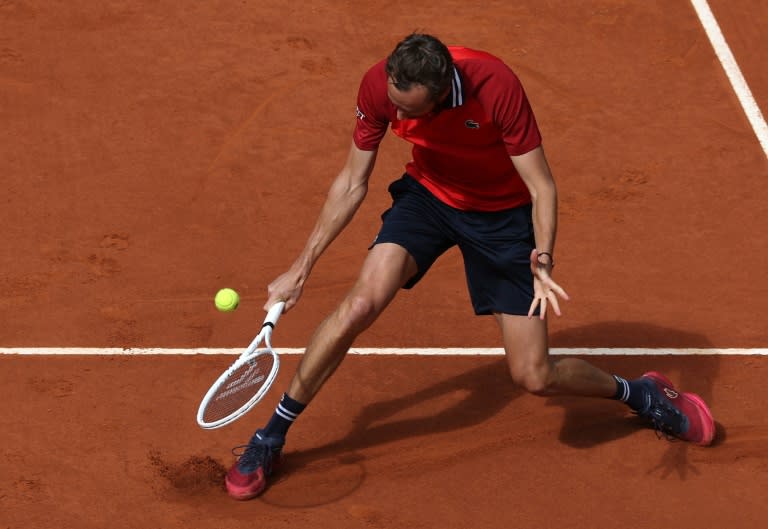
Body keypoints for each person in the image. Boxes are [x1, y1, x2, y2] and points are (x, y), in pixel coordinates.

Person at [224, 33, 716, 500]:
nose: (392, 111)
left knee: (534, 375)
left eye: (406, 109)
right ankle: (272, 435)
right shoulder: (381, 83)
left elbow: (542, 186)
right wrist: (301, 267)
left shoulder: (495, 86)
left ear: (440, 97)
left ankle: (642, 394)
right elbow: (353, 181)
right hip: (429, 198)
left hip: (502, 219)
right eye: (392, 99)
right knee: (359, 305)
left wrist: (542, 260)